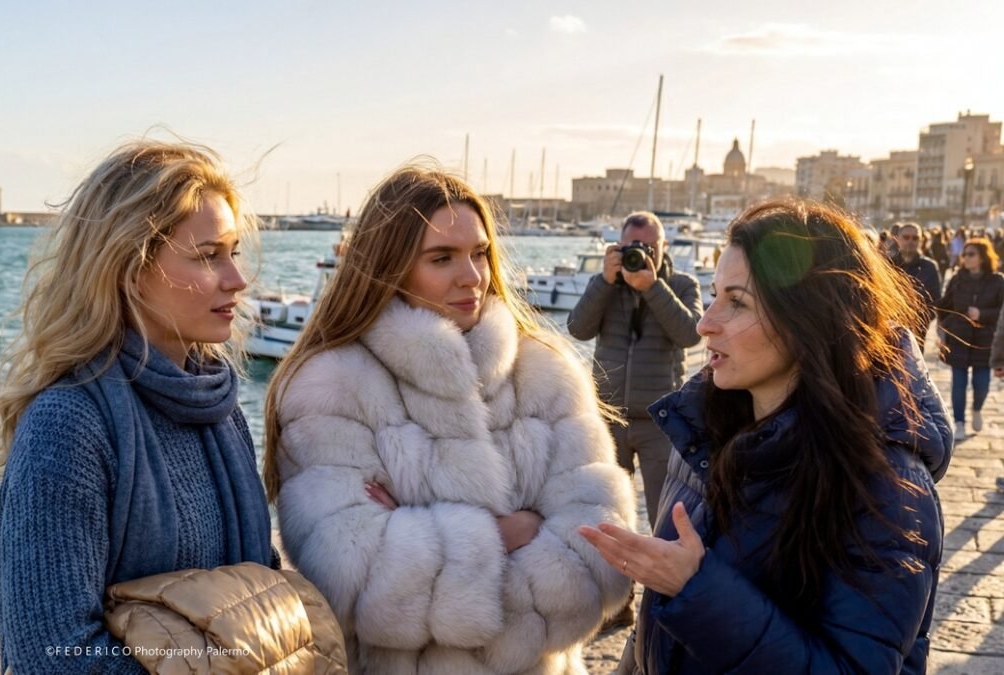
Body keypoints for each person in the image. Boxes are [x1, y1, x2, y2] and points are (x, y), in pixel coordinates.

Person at [264, 166, 636, 674]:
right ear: (390, 267)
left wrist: (422, 539)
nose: (473, 276)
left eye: (480, 252)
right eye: (442, 258)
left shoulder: (545, 371)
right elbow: (345, 574)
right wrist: (506, 534)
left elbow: (603, 551)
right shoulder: (331, 385)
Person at [580, 199, 951, 674]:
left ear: (811, 318)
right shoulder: (702, 432)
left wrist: (696, 589)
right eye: (714, 295)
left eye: (736, 302)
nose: (705, 322)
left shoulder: (888, 487)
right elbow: (658, 623)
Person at [0, 141, 278, 672]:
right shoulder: (67, 427)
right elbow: (50, 658)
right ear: (129, 267)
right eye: (208, 255)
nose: (237, 278)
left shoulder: (217, 403)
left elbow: (256, 589)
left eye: (233, 251)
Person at [566, 212, 703, 530]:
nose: (640, 254)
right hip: (609, 417)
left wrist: (653, 287)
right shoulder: (605, 285)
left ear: (664, 247)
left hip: (660, 420)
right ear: (617, 246)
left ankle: (659, 581)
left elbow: (690, 333)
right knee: (608, 516)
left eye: (649, 247)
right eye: (632, 246)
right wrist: (603, 281)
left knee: (666, 517)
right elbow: (577, 328)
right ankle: (615, 580)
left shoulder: (681, 285)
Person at [938, 237, 1004, 440]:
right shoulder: (957, 278)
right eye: (964, 254)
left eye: (971, 254)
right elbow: (944, 306)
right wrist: (944, 329)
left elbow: (1002, 311)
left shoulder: (997, 281)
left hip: (986, 340)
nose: (965, 257)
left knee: (981, 383)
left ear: (983, 257)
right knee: (958, 382)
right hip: (959, 338)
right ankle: (959, 422)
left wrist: (982, 314)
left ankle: (977, 409)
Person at [891, 222, 941, 350]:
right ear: (898, 239)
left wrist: (920, 320)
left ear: (921, 240)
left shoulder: (929, 267)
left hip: (916, 332)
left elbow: (935, 301)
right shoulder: (887, 264)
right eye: (906, 237)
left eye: (915, 238)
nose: (910, 241)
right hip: (889, 331)